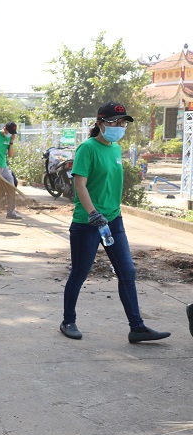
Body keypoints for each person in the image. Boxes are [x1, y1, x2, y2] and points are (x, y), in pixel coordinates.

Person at [60, 101, 170, 343]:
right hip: (87, 223)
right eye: (113, 122)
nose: (119, 126)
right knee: (79, 273)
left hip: (113, 221)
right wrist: (92, 213)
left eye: (122, 123)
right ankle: (68, 320)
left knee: (127, 272)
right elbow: (79, 185)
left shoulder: (114, 149)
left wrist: (109, 214)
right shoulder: (87, 149)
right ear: (100, 123)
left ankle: (137, 327)